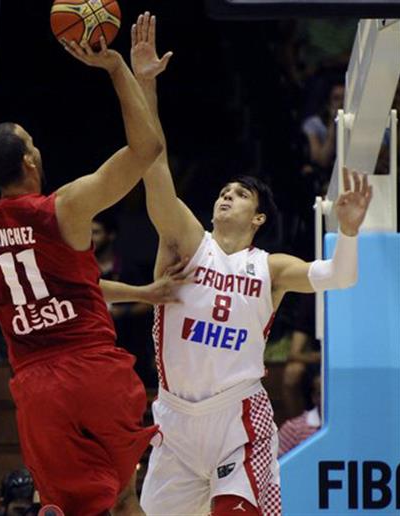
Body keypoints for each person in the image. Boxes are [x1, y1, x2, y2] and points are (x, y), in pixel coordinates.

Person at [127, 13, 372, 515]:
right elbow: (153, 163)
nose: (226, 196)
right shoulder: (187, 242)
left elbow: (340, 276)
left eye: (239, 194)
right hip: (174, 417)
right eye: (223, 191)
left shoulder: (270, 266)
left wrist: (348, 233)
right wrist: (145, 85)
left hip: (237, 416)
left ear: (258, 217)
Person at [0, 33, 165, 516]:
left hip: (36, 386)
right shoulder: (65, 208)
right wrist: (117, 68)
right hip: (91, 368)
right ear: (30, 160)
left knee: (69, 505)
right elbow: (147, 148)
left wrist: (143, 292)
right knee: (123, 498)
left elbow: (57, 287)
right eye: (32, 142)